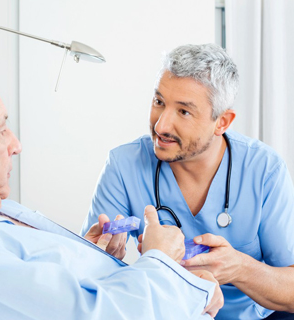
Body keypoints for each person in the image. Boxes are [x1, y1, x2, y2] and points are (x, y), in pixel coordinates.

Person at [0, 71, 223, 320]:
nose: (16, 145)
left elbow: (51, 294)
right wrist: (162, 261)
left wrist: (86, 256)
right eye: (0, 128)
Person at [81, 43, 294, 320]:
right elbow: (86, 277)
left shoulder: (264, 169)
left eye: (183, 111)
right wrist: (101, 256)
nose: (161, 126)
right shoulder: (124, 165)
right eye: (159, 102)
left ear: (222, 122)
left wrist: (239, 268)